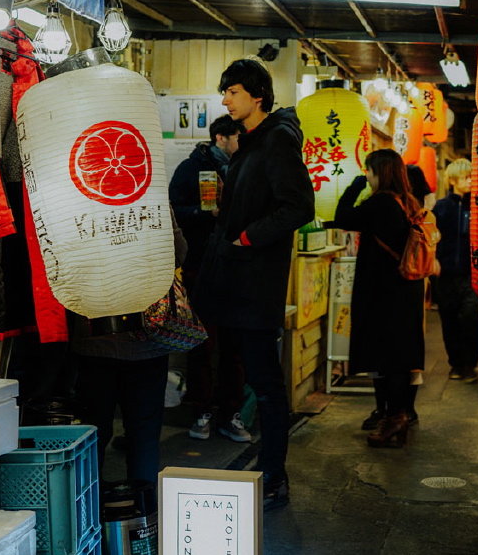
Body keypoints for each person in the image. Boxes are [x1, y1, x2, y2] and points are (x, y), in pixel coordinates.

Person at [196, 58, 315, 511]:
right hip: (235, 281)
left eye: (232, 91)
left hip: (254, 283)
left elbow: (299, 207)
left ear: (257, 96)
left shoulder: (278, 140)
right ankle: (267, 470)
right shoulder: (252, 141)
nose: (224, 99)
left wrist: (248, 235)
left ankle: (272, 475)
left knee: (266, 384)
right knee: (251, 375)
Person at [71, 212, 187, 493]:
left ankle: (89, 515)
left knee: (93, 432)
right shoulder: (152, 196)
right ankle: (142, 520)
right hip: (147, 337)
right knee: (144, 434)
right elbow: (179, 252)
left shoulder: (78, 203)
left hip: (93, 337)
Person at [333, 149, 426, 448]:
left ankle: (394, 418)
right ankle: (393, 417)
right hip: (404, 289)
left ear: (380, 172)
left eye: (369, 171)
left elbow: (342, 217)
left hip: (384, 293)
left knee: (388, 359)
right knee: (396, 357)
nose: (367, 175)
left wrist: (354, 186)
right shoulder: (407, 201)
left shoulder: (380, 202)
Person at [168, 115, 250, 442]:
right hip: (200, 265)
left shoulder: (243, 169)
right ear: (221, 138)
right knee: (201, 341)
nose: (240, 145)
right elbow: (174, 209)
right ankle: (200, 411)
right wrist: (206, 214)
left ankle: (231, 415)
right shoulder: (191, 169)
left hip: (236, 267)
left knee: (235, 345)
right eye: (236, 139)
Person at [433, 158, 478, 384]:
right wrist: (434, 260)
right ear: (453, 180)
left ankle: (470, 364)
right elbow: (432, 238)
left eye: (473, 176)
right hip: (445, 275)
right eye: (466, 177)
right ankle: (455, 364)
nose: (471, 181)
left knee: (471, 319)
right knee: (449, 320)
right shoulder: (441, 207)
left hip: (472, 275)